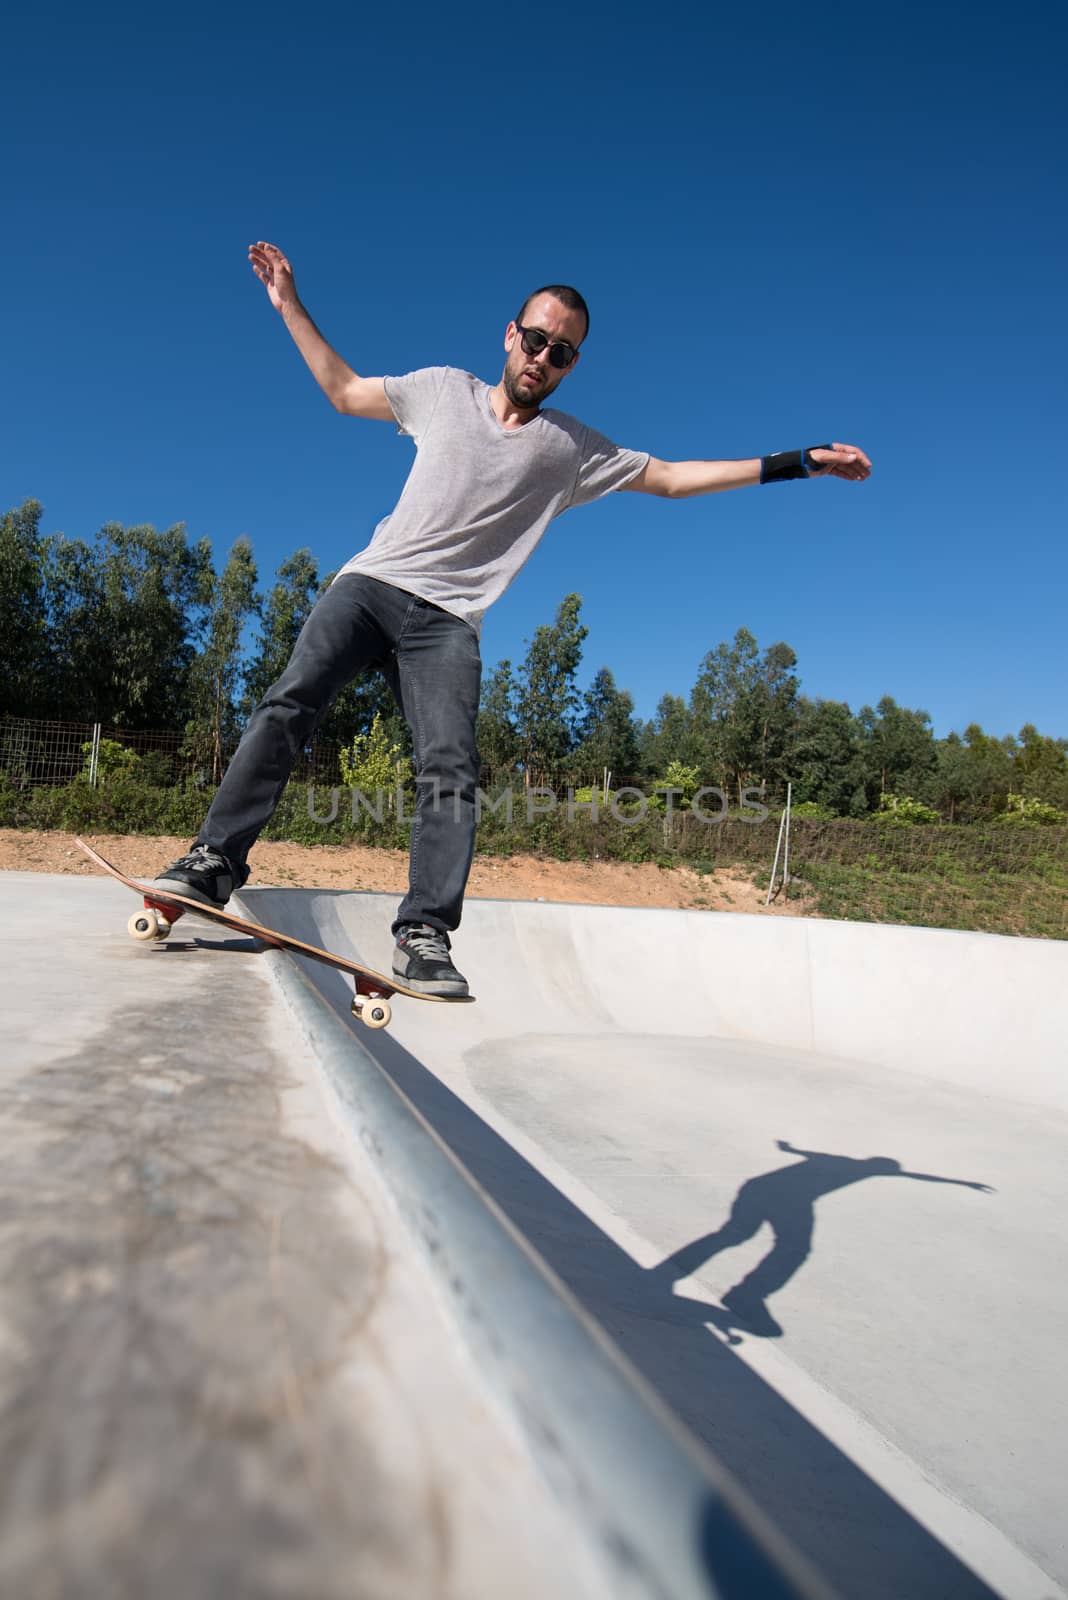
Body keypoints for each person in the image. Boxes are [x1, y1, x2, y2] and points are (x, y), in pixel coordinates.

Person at [155, 240, 872, 996]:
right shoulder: (441, 391)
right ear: (510, 335)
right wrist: (290, 305)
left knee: (452, 769)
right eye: (535, 341)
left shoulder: (570, 449)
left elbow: (667, 479)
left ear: (570, 365)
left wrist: (794, 461)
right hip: (371, 583)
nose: (542, 358)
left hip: (449, 621)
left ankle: (424, 933)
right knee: (289, 704)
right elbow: (342, 391)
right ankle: (213, 861)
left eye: (561, 353)